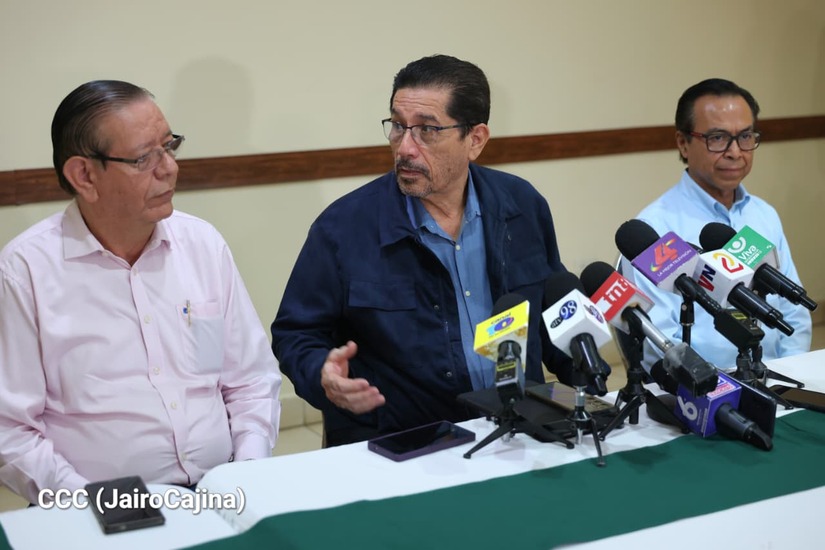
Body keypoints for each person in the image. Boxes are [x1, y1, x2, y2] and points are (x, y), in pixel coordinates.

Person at [271, 54, 580, 447]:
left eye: (427, 130)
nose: (405, 148)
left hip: (517, 428)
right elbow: (296, 333)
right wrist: (322, 374)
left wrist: (586, 380)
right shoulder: (343, 227)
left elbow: (552, 311)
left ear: (475, 140)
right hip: (406, 440)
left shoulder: (521, 205)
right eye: (398, 126)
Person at [0, 80, 281, 504]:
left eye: (169, 147)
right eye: (144, 157)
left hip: (223, 487)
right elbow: (11, 429)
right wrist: (93, 503)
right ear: (84, 175)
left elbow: (250, 381)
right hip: (97, 505)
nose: (169, 168)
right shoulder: (26, 271)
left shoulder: (201, 245)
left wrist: (248, 472)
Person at [621, 78, 811, 372]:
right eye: (718, 138)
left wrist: (790, 373)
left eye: (745, 136)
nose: (735, 151)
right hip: (702, 387)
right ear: (683, 143)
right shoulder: (656, 230)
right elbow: (658, 343)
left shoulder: (763, 214)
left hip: (776, 379)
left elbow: (794, 314)